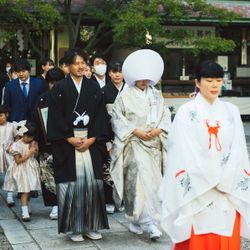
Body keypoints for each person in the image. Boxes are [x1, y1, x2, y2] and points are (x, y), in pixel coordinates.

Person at [159, 60, 250, 250]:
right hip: (197, 190)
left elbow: (239, 150)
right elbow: (182, 151)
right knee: (196, 239)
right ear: (197, 83)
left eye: (218, 80)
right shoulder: (186, 112)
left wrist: (226, 179)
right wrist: (210, 178)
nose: (215, 85)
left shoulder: (231, 111)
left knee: (225, 235)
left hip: (227, 188)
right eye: (208, 80)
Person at [47, 48, 109, 242]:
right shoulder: (59, 89)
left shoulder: (93, 88)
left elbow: (101, 117)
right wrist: (69, 138)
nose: (81, 66)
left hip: (90, 141)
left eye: (83, 62)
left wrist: (92, 139)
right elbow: (55, 118)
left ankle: (91, 225)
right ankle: (75, 227)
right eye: (76, 63)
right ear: (67, 66)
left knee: (92, 183)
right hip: (68, 142)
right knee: (72, 184)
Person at [110, 49, 171, 240]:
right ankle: (149, 223)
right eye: (140, 78)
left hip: (153, 143)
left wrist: (159, 130)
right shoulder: (124, 96)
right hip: (134, 143)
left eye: (147, 78)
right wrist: (135, 131)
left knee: (154, 183)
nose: (144, 81)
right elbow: (117, 118)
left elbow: (165, 115)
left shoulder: (156, 95)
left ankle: (140, 220)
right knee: (139, 183)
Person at [33, 67, 65, 220]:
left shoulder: (70, 96)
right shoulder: (42, 99)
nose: (55, 85)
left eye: (58, 82)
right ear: (48, 83)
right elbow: (36, 121)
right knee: (48, 173)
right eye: (52, 83)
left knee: (66, 172)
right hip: (46, 142)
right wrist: (34, 140)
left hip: (66, 141)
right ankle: (54, 205)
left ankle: (67, 202)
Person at [101, 61, 126, 214]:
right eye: (114, 71)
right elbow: (102, 117)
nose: (117, 74)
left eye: (120, 71)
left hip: (127, 134)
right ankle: (109, 200)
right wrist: (106, 139)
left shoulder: (130, 91)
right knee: (108, 168)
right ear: (109, 73)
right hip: (110, 134)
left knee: (125, 167)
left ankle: (122, 199)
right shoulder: (104, 92)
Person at [3, 121, 41, 222]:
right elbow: (18, 161)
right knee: (24, 190)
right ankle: (24, 212)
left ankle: (26, 206)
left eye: (32, 137)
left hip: (31, 169)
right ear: (22, 134)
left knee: (29, 190)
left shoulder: (32, 143)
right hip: (21, 170)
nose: (30, 139)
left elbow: (35, 157)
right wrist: (29, 153)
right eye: (28, 136)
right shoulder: (16, 145)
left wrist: (35, 151)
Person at [0, 105, 17, 206]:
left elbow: (17, 138)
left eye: (1, 115)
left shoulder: (11, 126)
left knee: (10, 173)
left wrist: (13, 144)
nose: (0, 118)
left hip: (8, 153)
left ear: (7, 114)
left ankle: (10, 196)